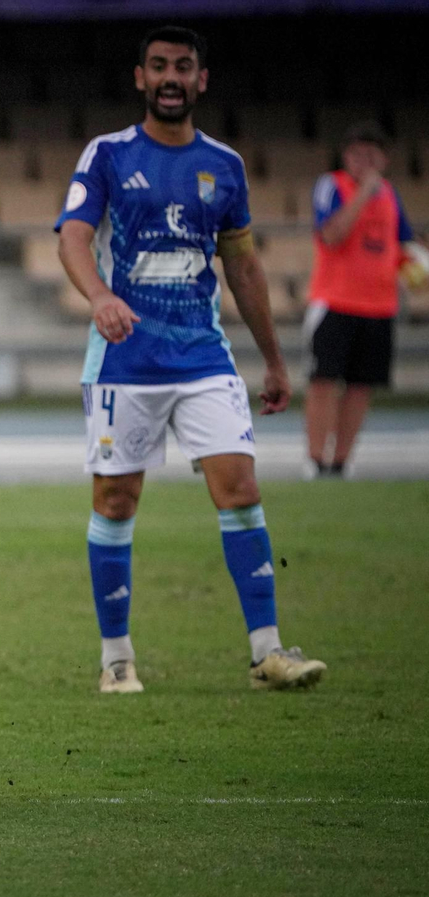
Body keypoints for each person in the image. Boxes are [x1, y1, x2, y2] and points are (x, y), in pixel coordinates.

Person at [55, 26, 326, 694]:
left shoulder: (225, 166)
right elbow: (74, 237)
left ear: (202, 80)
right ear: (140, 79)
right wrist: (98, 296)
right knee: (116, 500)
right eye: (158, 67)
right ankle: (116, 657)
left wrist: (274, 359)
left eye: (183, 67)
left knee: (241, 489)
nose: (170, 77)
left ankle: (267, 651)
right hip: (125, 360)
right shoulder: (109, 153)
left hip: (204, 356)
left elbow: (243, 265)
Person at [304, 123, 424, 478]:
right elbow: (331, 235)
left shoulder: (390, 194)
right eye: (357, 154)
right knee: (323, 381)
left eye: (372, 155)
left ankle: (340, 462)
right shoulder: (333, 186)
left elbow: (403, 244)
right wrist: (363, 193)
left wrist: (418, 267)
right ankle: (315, 460)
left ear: (384, 159)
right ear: (346, 158)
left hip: (379, 305)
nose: (365, 162)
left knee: (361, 386)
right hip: (335, 301)